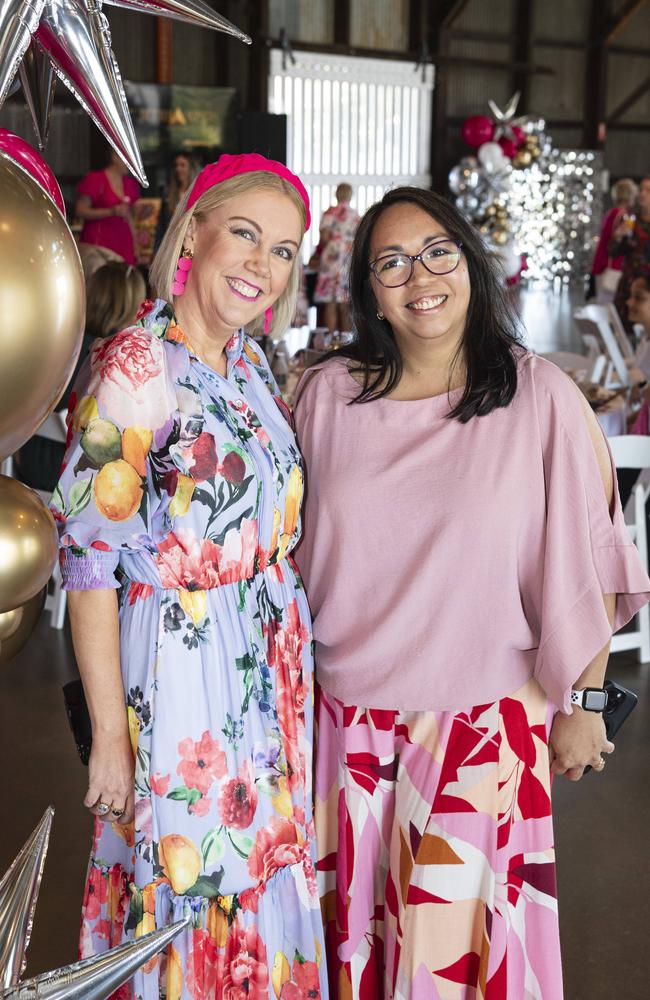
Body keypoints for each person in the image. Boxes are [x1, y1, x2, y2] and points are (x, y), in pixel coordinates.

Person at [294, 187, 650, 998]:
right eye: (390, 262)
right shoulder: (328, 397)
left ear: (469, 262)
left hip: (480, 735)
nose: (418, 276)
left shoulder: (537, 396)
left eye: (437, 252)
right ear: (367, 289)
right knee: (355, 959)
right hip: (346, 737)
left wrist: (585, 706)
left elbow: (591, 557)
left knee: (450, 975)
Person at [51, 154, 328, 999]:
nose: (262, 265)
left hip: (263, 669)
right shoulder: (139, 366)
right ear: (192, 235)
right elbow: (91, 557)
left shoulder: (248, 362)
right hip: (182, 674)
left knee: (260, 867)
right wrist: (107, 736)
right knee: (191, 875)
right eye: (244, 235)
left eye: (284, 251)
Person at [16, 262, 145, 493]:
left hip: (26, 465)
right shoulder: (121, 367)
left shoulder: (54, 344)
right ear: (134, 310)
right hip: (76, 486)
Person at [76, 145, 141, 265]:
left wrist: (135, 246)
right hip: (99, 244)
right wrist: (110, 212)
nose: (131, 163)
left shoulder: (130, 183)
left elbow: (129, 217)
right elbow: (80, 210)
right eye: (128, 159)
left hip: (123, 243)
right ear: (115, 157)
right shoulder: (95, 179)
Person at [314, 183, 360, 335]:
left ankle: (331, 339)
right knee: (345, 301)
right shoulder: (355, 216)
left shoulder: (330, 213)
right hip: (348, 258)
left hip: (332, 258)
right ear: (350, 195)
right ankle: (346, 339)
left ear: (337, 194)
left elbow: (324, 238)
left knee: (330, 301)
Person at [589, 177, 637, 302]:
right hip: (611, 266)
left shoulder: (611, 213)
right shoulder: (624, 215)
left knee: (603, 306)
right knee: (609, 307)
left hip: (601, 264)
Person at [612, 175, 650, 328]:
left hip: (647, 287)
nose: (642, 193)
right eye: (641, 189)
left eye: (648, 190)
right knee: (625, 328)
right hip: (630, 284)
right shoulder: (630, 219)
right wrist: (617, 237)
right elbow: (613, 251)